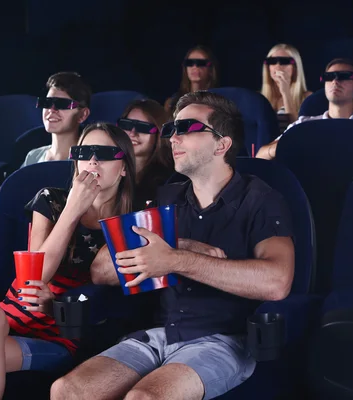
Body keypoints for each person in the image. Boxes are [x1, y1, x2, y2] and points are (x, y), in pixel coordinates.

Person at [50, 91, 295, 400]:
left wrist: (177, 260)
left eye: (187, 129)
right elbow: (101, 270)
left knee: (145, 398)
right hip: (158, 335)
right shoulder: (167, 197)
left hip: (226, 340)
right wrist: (180, 245)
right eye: (171, 129)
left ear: (222, 144)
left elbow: (276, 282)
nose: (173, 138)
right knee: (66, 390)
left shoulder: (260, 199)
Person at [0, 123, 136, 400]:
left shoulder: (131, 222)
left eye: (104, 152)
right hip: (10, 316)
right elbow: (34, 275)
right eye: (84, 152)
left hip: (57, 332)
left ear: (124, 166)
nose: (93, 160)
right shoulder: (51, 199)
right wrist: (72, 209)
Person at [0, 72, 92, 211]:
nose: (51, 110)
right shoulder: (34, 155)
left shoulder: (88, 160)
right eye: (46, 103)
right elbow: (4, 192)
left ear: (82, 115)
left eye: (62, 104)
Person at [257, 58, 353, 160]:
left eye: (344, 76)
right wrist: (287, 145)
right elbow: (260, 156)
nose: (335, 81)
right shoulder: (305, 123)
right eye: (329, 77)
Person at [118, 99, 174, 208]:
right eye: (127, 125)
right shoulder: (108, 169)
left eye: (143, 127)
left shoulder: (169, 180)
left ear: (159, 133)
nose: (133, 133)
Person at [261, 43, 312, 134]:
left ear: (295, 67)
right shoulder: (261, 98)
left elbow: (297, 131)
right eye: (272, 61)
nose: (278, 66)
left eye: (284, 61)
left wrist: (286, 92)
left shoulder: (307, 98)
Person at [164, 45, 219, 114]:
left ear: (211, 70)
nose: (195, 67)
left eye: (201, 63)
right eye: (189, 63)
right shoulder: (172, 103)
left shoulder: (219, 101)